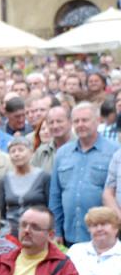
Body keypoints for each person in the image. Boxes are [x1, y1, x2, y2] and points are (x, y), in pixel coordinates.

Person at [50, 102, 119, 246]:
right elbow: (55, 196)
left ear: (98, 120)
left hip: (105, 237)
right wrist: (56, 230)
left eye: (85, 120)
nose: (80, 124)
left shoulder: (115, 152)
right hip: (70, 236)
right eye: (76, 121)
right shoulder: (62, 153)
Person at [67, 207, 121, 275]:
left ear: (116, 228)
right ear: (89, 229)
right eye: (94, 225)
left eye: (104, 224)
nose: (99, 228)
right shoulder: (76, 250)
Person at [0, 137, 50, 237]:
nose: (17, 154)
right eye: (13, 151)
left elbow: (50, 207)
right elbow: (1, 212)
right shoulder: (5, 179)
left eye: (21, 150)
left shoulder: (44, 177)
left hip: (37, 230)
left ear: (31, 152)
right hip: (11, 233)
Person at [31, 106, 74, 173]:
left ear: (70, 122)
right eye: (51, 122)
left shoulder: (81, 147)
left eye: (59, 121)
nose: (55, 126)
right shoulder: (42, 152)